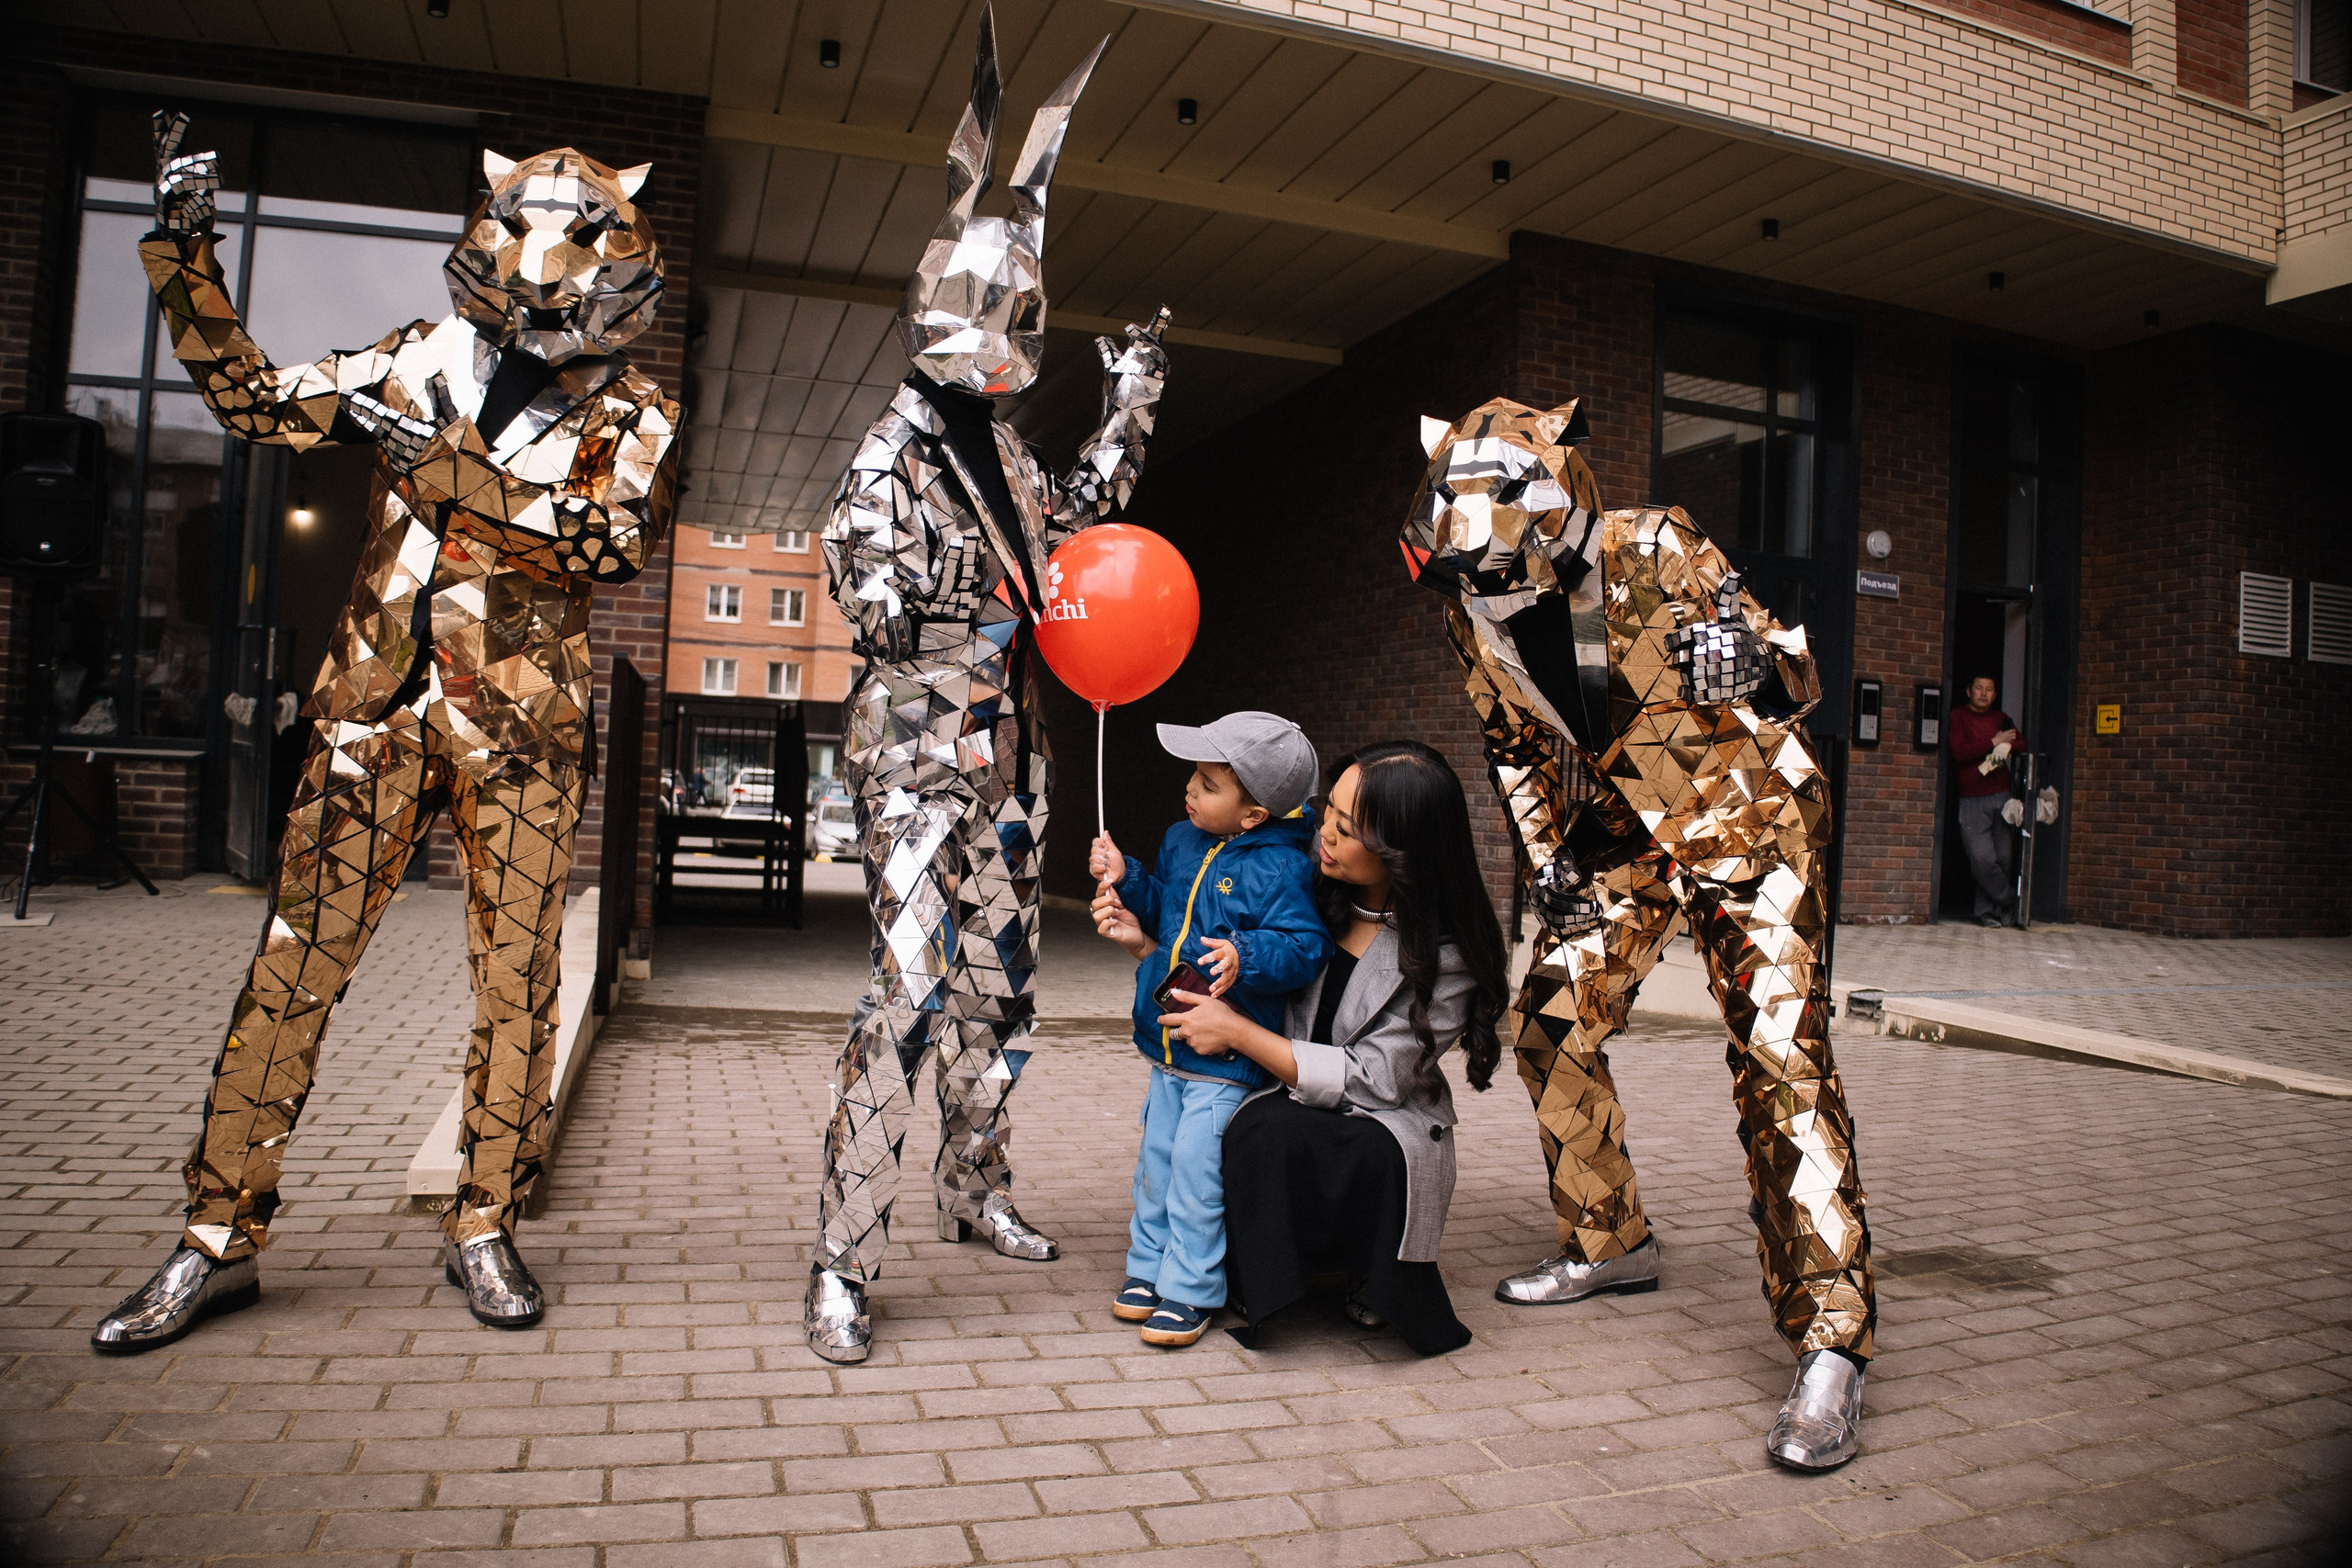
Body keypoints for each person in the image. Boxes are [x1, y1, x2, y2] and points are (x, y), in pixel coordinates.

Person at [93, 119, 679, 1353]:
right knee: (292, 963)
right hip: (371, 708)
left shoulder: (634, 409)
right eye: (518, 229)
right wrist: (188, 257)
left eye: (578, 236)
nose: (541, 263)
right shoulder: (415, 357)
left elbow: (603, 541)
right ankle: (216, 1233)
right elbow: (255, 406)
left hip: (522, 732)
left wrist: (450, 474)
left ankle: (485, 1220)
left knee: (516, 982)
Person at [1400, 396, 1877, 1471]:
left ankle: (1830, 1340)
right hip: (1623, 832)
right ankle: (1608, 1241)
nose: (1492, 586)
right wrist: (1548, 860)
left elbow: (1796, 668)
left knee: (1780, 1061)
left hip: (1749, 821)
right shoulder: (1469, 610)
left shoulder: (1656, 544)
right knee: (1549, 1019)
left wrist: (1750, 664)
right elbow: (1517, 748)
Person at [804, 6, 1172, 1367]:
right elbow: (875, 602)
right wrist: (986, 594)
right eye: (989, 307)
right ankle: (842, 1257)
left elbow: (1075, 528)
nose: (1009, 332)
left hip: (1011, 764)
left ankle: (974, 1188)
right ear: (936, 302)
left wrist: (1131, 402)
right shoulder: (890, 452)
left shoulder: (1007, 454)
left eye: (1025, 311)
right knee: (907, 990)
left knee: (1002, 996)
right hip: (915, 762)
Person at [1136, 741, 1510, 1357]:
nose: (1324, 834)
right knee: (1239, 1122)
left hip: (1380, 1119)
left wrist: (1240, 1034)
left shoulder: (1446, 953)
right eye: (1326, 811)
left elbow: (1377, 1078)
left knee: (1306, 1135)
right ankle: (1252, 1270)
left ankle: (1370, 1271)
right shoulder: (1306, 885)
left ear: (1402, 849)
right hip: (1282, 1087)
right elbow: (1219, 949)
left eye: (1347, 827)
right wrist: (1143, 942)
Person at [1087, 713, 1330, 1348]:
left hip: (1224, 1060)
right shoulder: (1182, 840)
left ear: (1253, 814)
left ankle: (1192, 1287)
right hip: (1167, 1042)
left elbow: (1306, 946)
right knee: (1157, 1165)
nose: (1190, 789)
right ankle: (1147, 1269)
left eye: (1209, 783)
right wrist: (1127, 876)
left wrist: (1247, 954)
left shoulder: (1282, 868)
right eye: (1194, 776)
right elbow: (1166, 908)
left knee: (1198, 1175)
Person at [1949, 675, 2021, 927]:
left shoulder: (2001, 718)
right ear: (1968, 690)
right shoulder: (1958, 716)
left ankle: (1986, 912)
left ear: (1995, 694)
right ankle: (2010, 900)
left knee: (2003, 858)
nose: (1983, 693)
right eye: (1979, 688)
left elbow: (2021, 742)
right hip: (1972, 798)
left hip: (2002, 794)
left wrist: (2007, 745)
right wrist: (1993, 742)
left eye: (1989, 689)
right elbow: (1959, 752)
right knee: (1982, 859)